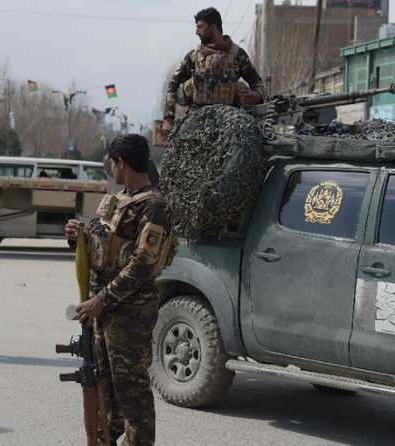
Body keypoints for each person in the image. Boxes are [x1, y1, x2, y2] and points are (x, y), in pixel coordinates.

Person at [65, 134, 175, 446]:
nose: (110, 169)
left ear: (121, 163)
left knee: (131, 392)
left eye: (111, 163)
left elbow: (142, 264)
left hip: (130, 314)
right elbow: (107, 246)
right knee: (104, 387)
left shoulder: (155, 207)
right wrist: (78, 236)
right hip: (102, 310)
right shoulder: (118, 199)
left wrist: (102, 299)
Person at [161, 7, 265, 135]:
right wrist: (168, 118)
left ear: (213, 27)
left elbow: (258, 83)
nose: (196, 32)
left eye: (200, 27)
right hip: (196, 122)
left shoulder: (237, 55)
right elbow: (173, 85)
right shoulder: (194, 57)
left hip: (228, 123)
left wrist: (257, 96)